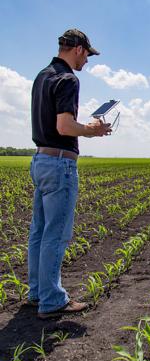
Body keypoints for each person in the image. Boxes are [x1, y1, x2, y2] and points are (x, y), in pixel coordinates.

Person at [28, 29, 111, 319]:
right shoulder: (68, 79)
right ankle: (52, 300)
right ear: (78, 49)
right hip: (59, 163)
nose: (87, 61)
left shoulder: (42, 76)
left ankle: (37, 293)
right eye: (87, 54)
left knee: (39, 232)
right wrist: (93, 130)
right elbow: (64, 126)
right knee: (56, 234)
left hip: (40, 160)